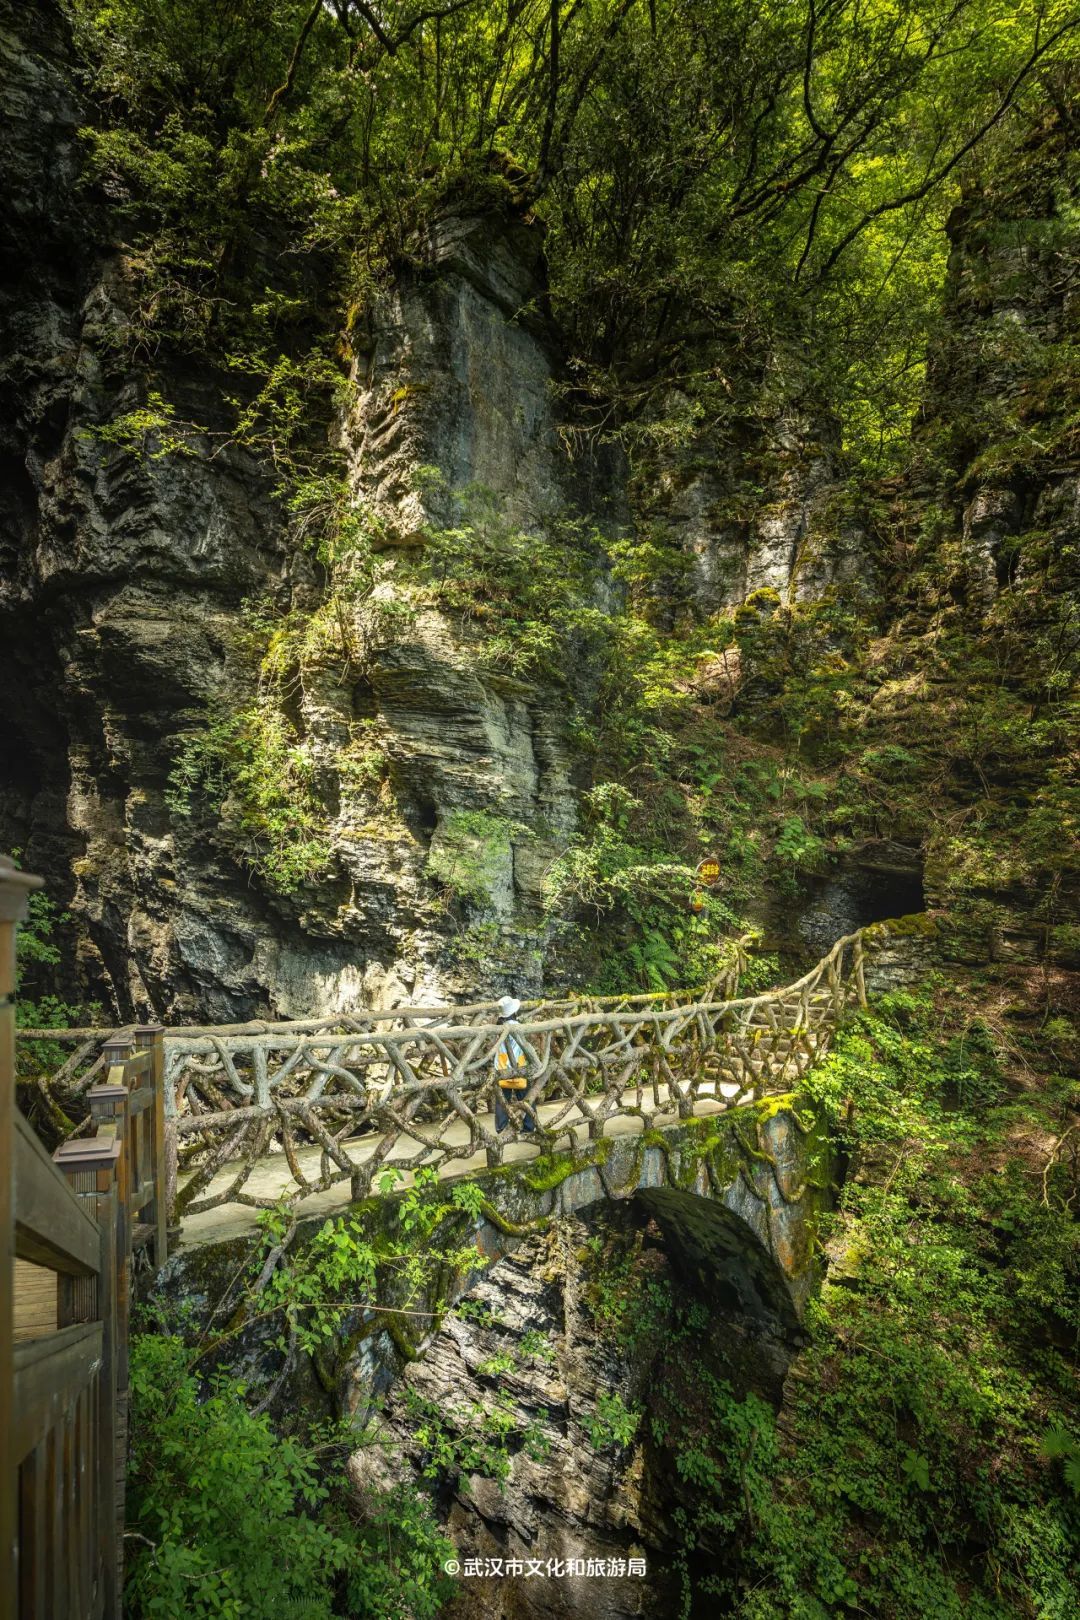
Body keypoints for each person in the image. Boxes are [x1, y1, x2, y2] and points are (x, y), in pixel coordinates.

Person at [493, 994, 535, 1132]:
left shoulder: (498, 1027)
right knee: (525, 1097)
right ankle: (529, 1126)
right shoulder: (519, 1027)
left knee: (502, 1100)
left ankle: (501, 1128)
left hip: (502, 1068)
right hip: (519, 1067)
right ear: (514, 1012)